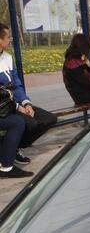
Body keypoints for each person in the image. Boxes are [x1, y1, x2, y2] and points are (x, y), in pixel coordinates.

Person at [0, 23, 56, 165]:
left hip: (14, 104)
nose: (10, 39)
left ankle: (15, 147)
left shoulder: (7, 57)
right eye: (8, 37)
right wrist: (19, 107)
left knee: (49, 119)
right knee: (28, 123)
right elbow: (2, 93)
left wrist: (26, 103)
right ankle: (8, 151)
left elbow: (16, 84)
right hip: (4, 108)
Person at [62, 33, 90, 105]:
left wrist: (89, 64)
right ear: (83, 47)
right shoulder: (72, 63)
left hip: (87, 92)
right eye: (88, 47)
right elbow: (86, 83)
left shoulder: (79, 57)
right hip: (82, 96)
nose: (89, 50)